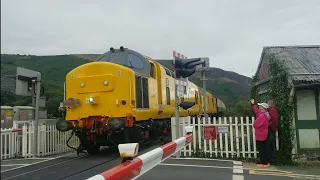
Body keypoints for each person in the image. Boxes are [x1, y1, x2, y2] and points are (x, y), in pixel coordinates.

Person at [250, 99, 270, 167]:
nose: (259, 107)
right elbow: (257, 111)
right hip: (263, 134)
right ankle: (266, 162)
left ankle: (264, 163)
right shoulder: (264, 114)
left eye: (260, 106)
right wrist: (253, 104)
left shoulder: (262, 116)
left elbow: (255, 124)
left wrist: (254, 123)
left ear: (263, 108)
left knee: (261, 149)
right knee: (264, 148)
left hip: (260, 134)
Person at [267, 99, 278, 164]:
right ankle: (271, 158)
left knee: (271, 144)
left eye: (269, 103)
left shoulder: (272, 110)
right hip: (271, 128)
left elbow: (274, 120)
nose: (268, 104)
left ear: (272, 104)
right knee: (270, 144)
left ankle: (272, 159)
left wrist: (268, 125)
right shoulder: (271, 110)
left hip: (271, 129)